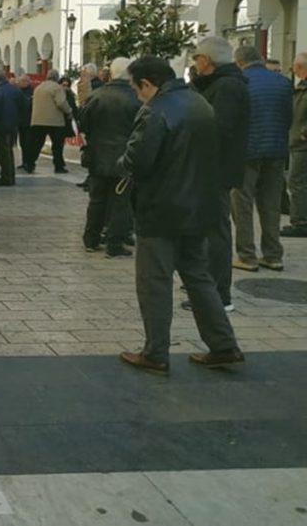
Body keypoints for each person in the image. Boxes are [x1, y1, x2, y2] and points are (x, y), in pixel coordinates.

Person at [118, 56, 243, 374]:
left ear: (148, 83)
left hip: (161, 209)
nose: (137, 95)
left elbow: (138, 159)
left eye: (136, 88)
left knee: (154, 281)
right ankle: (224, 344)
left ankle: (155, 352)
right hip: (198, 206)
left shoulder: (156, 110)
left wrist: (122, 163)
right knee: (199, 277)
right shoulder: (199, 101)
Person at [189, 36, 250, 309]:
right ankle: (207, 291)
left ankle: (218, 296)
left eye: (196, 58)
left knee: (216, 231)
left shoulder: (226, 87)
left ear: (207, 60)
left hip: (216, 169)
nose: (195, 63)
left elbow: (219, 129)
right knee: (208, 229)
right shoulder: (219, 84)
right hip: (211, 168)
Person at [231, 45, 293, 272]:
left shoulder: (240, 82)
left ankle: (247, 256)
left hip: (247, 150)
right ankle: (273, 255)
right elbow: (288, 117)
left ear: (239, 62)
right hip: (276, 149)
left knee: (242, 203)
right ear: (261, 59)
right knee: (271, 204)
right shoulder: (283, 82)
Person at [79, 57, 139, 257]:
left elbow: (83, 124)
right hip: (124, 158)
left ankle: (91, 239)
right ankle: (114, 244)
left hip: (97, 156)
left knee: (97, 200)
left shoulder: (96, 95)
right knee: (120, 202)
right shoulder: (136, 98)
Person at [28, 69, 71, 173]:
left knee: (36, 144)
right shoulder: (57, 88)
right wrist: (69, 110)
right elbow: (61, 102)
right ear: (57, 78)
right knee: (57, 146)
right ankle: (58, 166)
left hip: (38, 120)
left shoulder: (38, 87)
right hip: (54, 121)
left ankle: (29, 164)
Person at [283, 53, 307, 238]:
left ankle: (300, 221)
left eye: (296, 67)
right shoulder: (300, 88)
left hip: (302, 144)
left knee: (297, 182)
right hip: (296, 141)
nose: (294, 70)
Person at [0, 70, 24, 186]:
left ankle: (6, 177)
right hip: (13, 125)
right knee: (9, 151)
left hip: (0, 126)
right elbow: (24, 105)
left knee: (2, 152)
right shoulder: (16, 90)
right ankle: (10, 176)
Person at [15, 74, 34, 172]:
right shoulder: (18, 91)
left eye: (22, 81)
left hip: (29, 122)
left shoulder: (31, 92)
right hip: (20, 122)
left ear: (27, 82)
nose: (20, 83)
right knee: (22, 143)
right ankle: (24, 161)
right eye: (19, 81)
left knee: (28, 143)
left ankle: (29, 163)